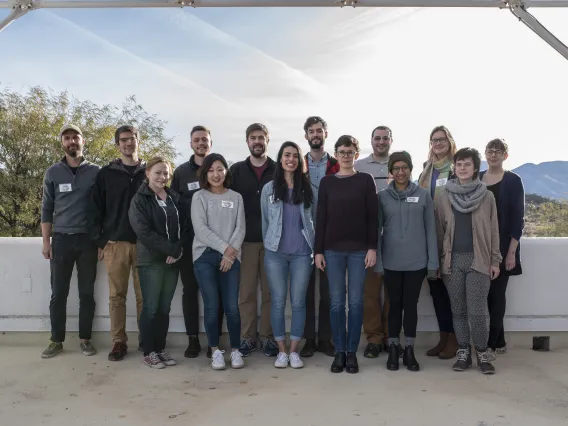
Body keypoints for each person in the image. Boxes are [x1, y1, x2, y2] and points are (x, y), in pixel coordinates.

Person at [314, 135, 378, 374]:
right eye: (342, 152)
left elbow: (373, 217)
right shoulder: (327, 183)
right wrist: (318, 250)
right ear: (336, 154)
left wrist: (372, 247)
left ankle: (352, 352)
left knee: (356, 303)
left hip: (359, 251)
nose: (346, 156)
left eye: (350, 152)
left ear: (356, 154)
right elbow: (321, 218)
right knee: (336, 303)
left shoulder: (365, 180)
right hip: (332, 251)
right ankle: (339, 351)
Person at [435, 148, 502, 375]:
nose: (462, 168)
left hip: (479, 260)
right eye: (459, 164)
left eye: (467, 164)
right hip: (452, 262)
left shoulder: (487, 196)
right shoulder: (445, 196)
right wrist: (438, 261)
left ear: (475, 168)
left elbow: (494, 231)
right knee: (459, 310)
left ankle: (482, 352)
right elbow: (439, 231)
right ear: (454, 167)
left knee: (477, 310)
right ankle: (463, 351)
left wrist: (495, 261)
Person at [40, 124, 101, 359]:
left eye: (75, 137)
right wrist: (47, 242)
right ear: (62, 143)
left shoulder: (96, 171)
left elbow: (102, 208)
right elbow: (47, 209)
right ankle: (56, 340)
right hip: (62, 240)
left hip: (88, 240)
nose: (71, 141)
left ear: (83, 141)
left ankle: (85, 339)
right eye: (67, 138)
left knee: (86, 293)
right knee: (59, 294)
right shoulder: (52, 172)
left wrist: (101, 242)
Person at [375, 151, 438, 372]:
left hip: (417, 263)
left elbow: (431, 230)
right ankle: (393, 348)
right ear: (390, 171)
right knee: (394, 306)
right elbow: (377, 232)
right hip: (391, 262)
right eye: (396, 168)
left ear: (411, 170)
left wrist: (433, 264)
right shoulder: (382, 197)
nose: (401, 172)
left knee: (410, 306)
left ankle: (409, 349)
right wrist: (379, 262)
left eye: (405, 168)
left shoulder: (423, 195)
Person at [91, 125, 146, 361]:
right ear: (117, 145)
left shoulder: (150, 172)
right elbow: (94, 209)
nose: (128, 144)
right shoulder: (106, 174)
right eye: (123, 140)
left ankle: (147, 340)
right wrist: (102, 241)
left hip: (145, 245)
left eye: (131, 139)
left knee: (145, 297)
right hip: (115, 245)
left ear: (138, 141)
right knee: (117, 297)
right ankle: (119, 342)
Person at [129, 156, 187, 369]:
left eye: (165, 173)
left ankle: (160, 349)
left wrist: (178, 249)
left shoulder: (174, 197)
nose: (162, 177)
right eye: (158, 172)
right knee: (151, 308)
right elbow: (143, 232)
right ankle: (149, 351)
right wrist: (170, 249)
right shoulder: (140, 199)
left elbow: (185, 226)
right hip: (151, 262)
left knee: (164, 308)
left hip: (173, 261)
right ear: (148, 174)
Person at [170, 125, 223, 359]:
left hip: (217, 243)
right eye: (197, 140)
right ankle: (193, 339)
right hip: (190, 242)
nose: (201, 143)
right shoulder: (181, 173)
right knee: (190, 291)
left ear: (211, 143)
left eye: (205, 139)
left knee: (216, 293)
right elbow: (173, 207)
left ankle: (215, 342)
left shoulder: (220, 170)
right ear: (191, 144)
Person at [261, 142, 315, 369]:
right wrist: (270, 245)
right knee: (278, 301)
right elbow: (265, 221)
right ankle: (281, 351)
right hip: (276, 255)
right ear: (280, 159)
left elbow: (316, 221)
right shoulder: (269, 189)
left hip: (303, 254)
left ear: (300, 161)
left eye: (295, 155)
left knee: (299, 302)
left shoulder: (309, 189)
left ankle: (294, 351)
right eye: (286, 155)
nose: (290, 159)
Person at [191, 154, 246, 370]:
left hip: (231, 257)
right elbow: (201, 229)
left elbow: (240, 227)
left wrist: (229, 254)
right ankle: (215, 351)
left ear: (226, 171)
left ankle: (236, 350)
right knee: (212, 306)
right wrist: (226, 249)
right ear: (205, 173)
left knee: (232, 306)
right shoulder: (199, 197)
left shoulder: (236, 197)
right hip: (205, 256)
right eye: (211, 170)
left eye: (220, 169)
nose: (216, 174)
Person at [230, 123, 278, 357]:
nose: (257, 141)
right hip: (245, 242)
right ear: (247, 141)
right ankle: (247, 338)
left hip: (273, 243)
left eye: (261, 137)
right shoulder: (236, 171)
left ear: (267, 140)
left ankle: (268, 338)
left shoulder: (279, 170)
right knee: (246, 293)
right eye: (252, 138)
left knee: (271, 294)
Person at [417, 125, 459, 359]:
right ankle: (444, 337)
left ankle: (455, 338)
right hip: (429, 236)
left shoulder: (458, 168)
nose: (438, 143)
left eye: (442, 139)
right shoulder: (426, 169)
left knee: (452, 290)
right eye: (434, 140)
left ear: (450, 141)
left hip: (452, 236)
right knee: (436, 290)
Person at [480, 138, 525, 358]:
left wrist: (511, 252)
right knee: (486, 295)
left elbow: (518, 219)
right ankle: (500, 340)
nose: (494, 154)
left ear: (505, 155)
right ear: (485, 153)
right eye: (490, 150)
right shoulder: (477, 179)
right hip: (480, 246)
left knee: (497, 295)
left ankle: (489, 344)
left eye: (499, 151)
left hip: (504, 246)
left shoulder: (513, 180)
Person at [301, 116, 338, 358]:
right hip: (302, 236)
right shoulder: (297, 163)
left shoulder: (336, 165)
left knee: (328, 291)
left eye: (319, 131)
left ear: (325, 134)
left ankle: (325, 339)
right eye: (311, 131)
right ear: (306, 136)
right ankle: (308, 339)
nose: (315, 134)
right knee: (304, 291)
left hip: (329, 235)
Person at [354, 125, 393, 357]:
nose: (381, 142)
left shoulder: (398, 164)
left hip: (394, 237)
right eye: (377, 138)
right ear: (371, 141)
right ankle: (374, 339)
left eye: (385, 138)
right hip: (367, 237)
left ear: (391, 140)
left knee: (391, 292)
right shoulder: (359, 167)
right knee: (369, 293)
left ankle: (390, 337)